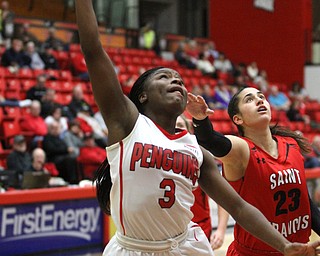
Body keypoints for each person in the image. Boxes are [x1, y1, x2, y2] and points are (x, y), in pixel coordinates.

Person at [75, 1, 320, 255]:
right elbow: (93, 50)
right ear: (143, 96)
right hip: (134, 248)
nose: (176, 81)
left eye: (179, 80)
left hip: (185, 246)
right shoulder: (128, 123)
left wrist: (284, 246)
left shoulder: (195, 149)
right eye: (164, 77)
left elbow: (238, 207)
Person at [187, 87, 320, 255]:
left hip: (298, 250)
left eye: (261, 96)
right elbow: (210, 140)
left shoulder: (290, 144)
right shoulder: (242, 150)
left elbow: (305, 203)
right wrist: (200, 120)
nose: (259, 100)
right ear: (238, 119)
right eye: (249, 99)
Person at [176, 114, 230, 250]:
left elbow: (223, 197)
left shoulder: (200, 158)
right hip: (168, 233)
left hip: (199, 230)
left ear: (189, 132)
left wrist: (221, 230)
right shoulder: (155, 159)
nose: (176, 128)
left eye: (180, 126)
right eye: (173, 126)